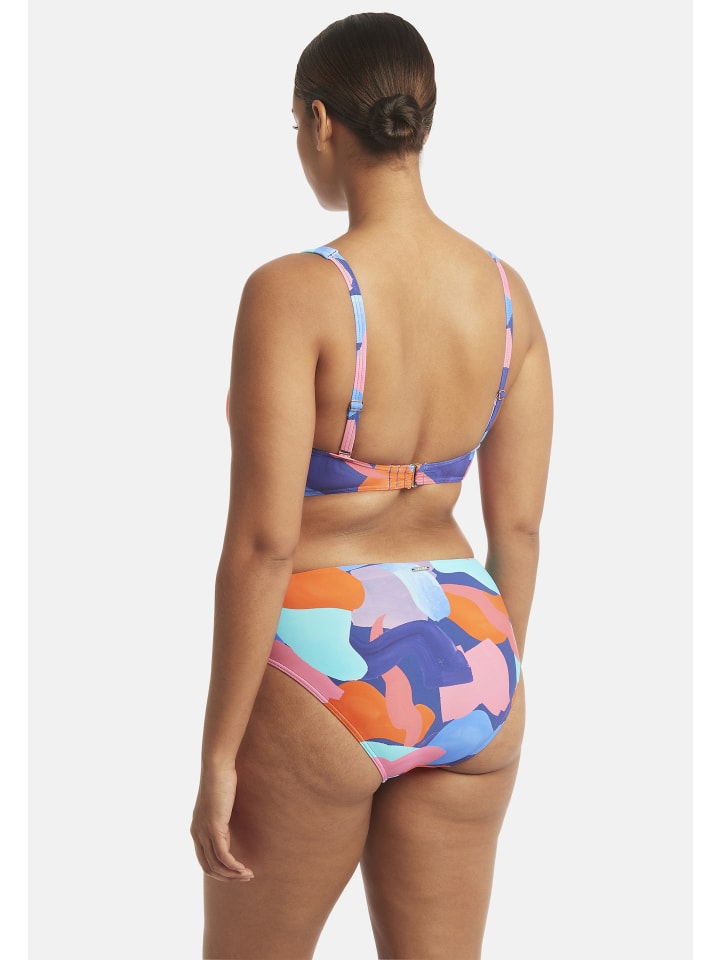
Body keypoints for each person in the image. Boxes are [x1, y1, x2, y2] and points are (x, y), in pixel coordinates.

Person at [190, 11, 552, 959]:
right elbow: (518, 530)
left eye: (295, 127)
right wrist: (494, 684)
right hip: (475, 647)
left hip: (328, 649)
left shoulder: (294, 291)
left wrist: (218, 752)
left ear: (320, 123)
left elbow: (263, 543)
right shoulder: (507, 297)